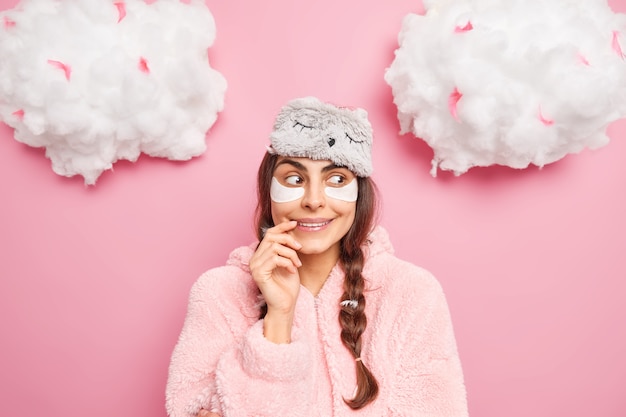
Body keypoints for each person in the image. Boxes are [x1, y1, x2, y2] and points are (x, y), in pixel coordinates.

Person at [165, 96, 468, 417]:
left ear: (359, 193)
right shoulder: (218, 294)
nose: (313, 200)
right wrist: (278, 320)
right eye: (294, 179)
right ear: (269, 190)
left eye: (336, 179)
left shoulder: (411, 292)